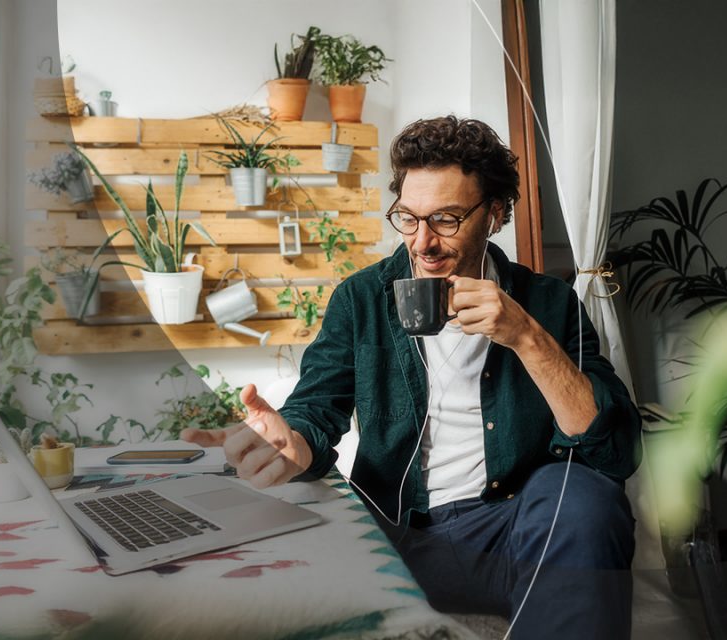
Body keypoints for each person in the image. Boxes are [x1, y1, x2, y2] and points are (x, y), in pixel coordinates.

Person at [183, 116, 639, 640]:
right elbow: (315, 409)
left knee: (585, 497)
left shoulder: (548, 303)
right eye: (407, 218)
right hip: (398, 533)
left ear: (494, 214)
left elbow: (615, 452)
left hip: (514, 531)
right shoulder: (361, 298)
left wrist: (526, 337)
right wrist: (293, 442)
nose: (423, 243)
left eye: (446, 219)